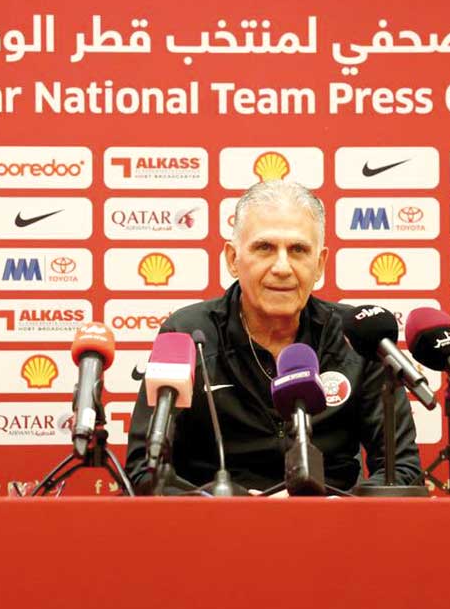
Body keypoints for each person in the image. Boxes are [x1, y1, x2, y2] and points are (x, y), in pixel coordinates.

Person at [124, 180, 422, 493]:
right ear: (232, 259)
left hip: (333, 529)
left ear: (319, 264)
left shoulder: (357, 338)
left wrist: (342, 508)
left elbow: (401, 469)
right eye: (264, 247)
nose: (282, 267)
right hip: (215, 528)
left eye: (298, 250)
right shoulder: (186, 334)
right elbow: (145, 470)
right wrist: (227, 505)